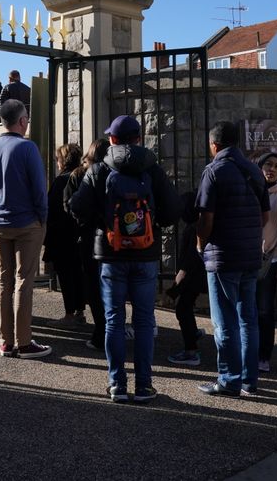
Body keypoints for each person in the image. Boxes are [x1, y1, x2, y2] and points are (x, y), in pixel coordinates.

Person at [69, 115, 181, 403]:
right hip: (145, 255)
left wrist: (105, 223)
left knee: (113, 320)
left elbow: (76, 207)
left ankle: (116, 384)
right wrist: (151, 223)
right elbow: (171, 211)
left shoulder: (98, 170)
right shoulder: (153, 169)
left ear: (114, 140)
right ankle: (144, 385)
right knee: (144, 320)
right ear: (139, 138)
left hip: (110, 254)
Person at [194, 121, 269, 398]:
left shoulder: (214, 171)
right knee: (248, 319)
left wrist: (200, 244)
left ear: (214, 145)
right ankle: (250, 380)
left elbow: (205, 219)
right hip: (250, 255)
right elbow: (264, 216)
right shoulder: (254, 171)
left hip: (222, 256)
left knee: (224, 321)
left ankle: (228, 380)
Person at [0, 99, 51, 359]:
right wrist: (42, 219)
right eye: (27, 118)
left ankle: (6, 341)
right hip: (27, 223)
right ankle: (24, 341)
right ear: (21, 121)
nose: (28, 121)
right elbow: (40, 190)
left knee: (3, 279)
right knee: (23, 281)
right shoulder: (27, 148)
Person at [64, 138, 110, 352]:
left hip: (91, 237)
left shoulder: (83, 174)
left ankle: (101, 332)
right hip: (117, 237)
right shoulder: (119, 171)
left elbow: (72, 205)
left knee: (94, 287)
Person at [44, 143, 85, 326]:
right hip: (80, 235)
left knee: (66, 276)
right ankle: (79, 311)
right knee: (79, 274)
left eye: (58, 159)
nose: (57, 162)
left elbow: (50, 208)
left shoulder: (62, 180)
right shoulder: (84, 176)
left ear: (63, 160)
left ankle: (70, 315)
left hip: (62, 236)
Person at [256, 152, 277, 373]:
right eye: (268, 164)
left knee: (265, 310)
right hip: (248, 257)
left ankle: (264, 355)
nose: (272, 169)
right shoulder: (251, 190)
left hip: (271, 258)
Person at [166, 191, 208, 366]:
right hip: (200, 274)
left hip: (194, 276)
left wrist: (173, 290)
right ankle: (192, 333)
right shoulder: (199, 224)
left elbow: (188, 263)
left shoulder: (193, 229)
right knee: (186, 307)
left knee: (182, 309)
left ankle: (191, 351)